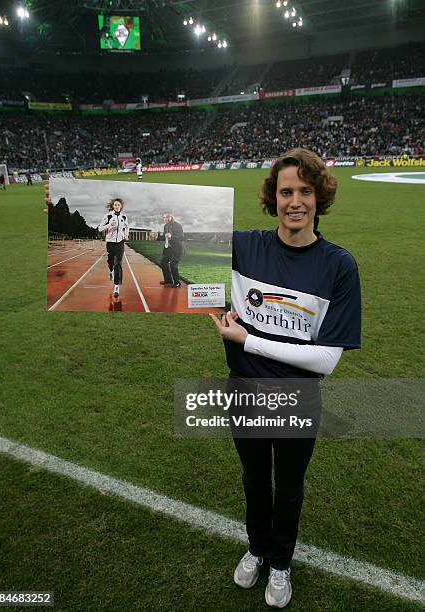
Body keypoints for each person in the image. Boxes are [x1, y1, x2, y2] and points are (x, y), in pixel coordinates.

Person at [210, 148, 361, 609]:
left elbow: (325, 361)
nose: (295, 201)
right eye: (285, 192)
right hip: (244, 391)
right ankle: (257, 549)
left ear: (319, 197)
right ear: (272, 198)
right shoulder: (244, 245)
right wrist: (82, 207)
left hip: (298, 398)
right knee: (254, 481)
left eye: (305, 191)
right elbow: (172, 241)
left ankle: (280, 563)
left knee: (289, 487)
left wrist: (247, 340)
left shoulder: (339, 265)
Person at [99, 198, 129, 297]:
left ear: (121, 206)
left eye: (118, 205)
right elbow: (100, 228)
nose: (117, 206)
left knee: (118, 264)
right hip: (110, 243)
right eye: (115, 205)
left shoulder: (124, 217)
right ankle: (110, 270)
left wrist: (126, 234)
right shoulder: (107, 216)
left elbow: (126, 227)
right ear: (113, 206)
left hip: (120, 243)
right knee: (111, 262)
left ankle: (116, 287)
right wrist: (109, 225)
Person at [160, 212, 184, 288]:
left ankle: (177, 282)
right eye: (164, 217)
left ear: (171, 217)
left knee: (173, 264)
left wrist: (171, 236)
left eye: (167, 217)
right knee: (164, 263)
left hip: (177, 248)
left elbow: (181, 237)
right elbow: (165, 237)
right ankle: (168, 280)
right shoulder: (165, 226)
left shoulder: (177, 225)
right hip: (168, 248)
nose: (165, 219)